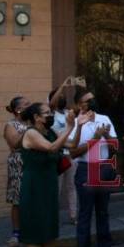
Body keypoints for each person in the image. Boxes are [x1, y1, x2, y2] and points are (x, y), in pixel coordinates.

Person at [19, 104, 79, 247]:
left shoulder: (49, 131)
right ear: (36, 117)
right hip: (34, 187)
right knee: (35, 231)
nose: (50, 115)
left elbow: (72, 145)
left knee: (49, 228)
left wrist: (79, 126)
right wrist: (69, 127)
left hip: (49, 185)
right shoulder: (31, 133)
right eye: (46, 113)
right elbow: (52, 148)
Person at [67, 89, 121, 247]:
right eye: (87, 100)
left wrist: (106, 135)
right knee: (85, 213)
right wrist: (95, 139)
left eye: (93, 98)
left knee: (103, 212)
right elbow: (73, 153)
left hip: (104, 167)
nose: (92, 102)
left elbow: (115, 146)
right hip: (86, 169)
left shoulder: (104, 119)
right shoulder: (76, 124)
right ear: (79, 105)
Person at [49, 83, 77, 224]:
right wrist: (62, 86)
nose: (62, 98)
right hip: (58, 155)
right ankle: (53, 217)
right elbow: (52, 103)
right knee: (56, 188)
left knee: (71, 187)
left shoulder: (69, 113)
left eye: (63, 96)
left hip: (70, 155)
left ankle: (73, 216)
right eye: (59, 96)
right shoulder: (51, 114)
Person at [4, 96, 30, 247]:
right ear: (18, 110)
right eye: (27, 104)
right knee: (18, 200)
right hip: (18, 164)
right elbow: (14, 143)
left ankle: (30, 230)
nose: (30, 106)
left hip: (33, 164)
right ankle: (16, 233)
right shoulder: (10, 125)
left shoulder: (31, 123)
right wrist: (29, 132)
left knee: (32, 199)